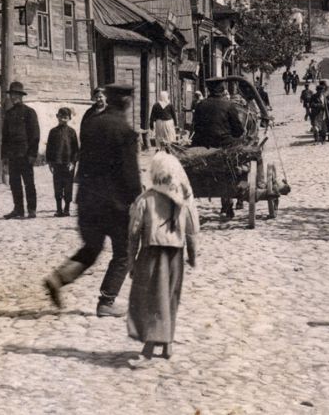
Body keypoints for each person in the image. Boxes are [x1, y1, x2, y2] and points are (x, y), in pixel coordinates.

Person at [44, 83, 142, 317]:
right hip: (114, 205)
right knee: (123, 253)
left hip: (87, 200)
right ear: (127, 103)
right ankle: (106, 301)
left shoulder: (91, 124)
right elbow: (129, 173)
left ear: (108, 100)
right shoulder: (125, 131)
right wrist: (137, 198)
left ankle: (58, 279)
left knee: (91, 248)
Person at [127, 151, 199, 368]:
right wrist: (193, 256)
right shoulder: (181, 200)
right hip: (175, 254)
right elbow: (192, 229)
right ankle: (167, 345)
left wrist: (131, 261)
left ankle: (148, 349)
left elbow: (133, 233)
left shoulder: (144, 200)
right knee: (170, 297)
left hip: (152, 254)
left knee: (150, 299)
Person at [191, 80, 245, 219]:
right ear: (222, 90)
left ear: (209, 90)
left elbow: (195, 127)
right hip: (224, 144)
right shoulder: (229, 105)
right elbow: (238, 130)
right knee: (244, 157)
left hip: (202, 145)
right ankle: (236, 192)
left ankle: (225, 202)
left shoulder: (200, 105)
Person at [1, 81, 40, 220]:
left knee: (29, 183)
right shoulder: (9, 114)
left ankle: (31, 209)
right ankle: (18, 209)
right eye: (12, 94)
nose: (14, 97)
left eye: (16, 94)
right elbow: (5, 136)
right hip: (13, 155)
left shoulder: (29, 112)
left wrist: (32, 154)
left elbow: (35, 135)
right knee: (15, 183)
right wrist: (4, 156)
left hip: (26, 155)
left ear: (21, 96)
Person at [45, 107, 79, 217]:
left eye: (65, 118)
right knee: (58, 186)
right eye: (61, 117)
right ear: (57, 117)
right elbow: (49, 148)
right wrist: (50, 162)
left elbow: (75, 149)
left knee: (68, 186)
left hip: (68, 164)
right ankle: (58, 209)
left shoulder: (72, 132)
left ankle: (67, 208)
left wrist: (73, 162)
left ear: (69, 118)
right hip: (57, 163)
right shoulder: (53, 132)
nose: (63, 120)